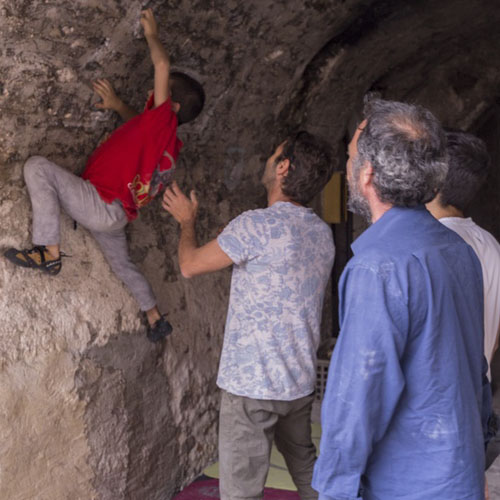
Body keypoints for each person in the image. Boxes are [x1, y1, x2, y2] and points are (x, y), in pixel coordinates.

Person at [312, 99, 491, 500]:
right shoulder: (457, 249)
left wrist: (335, 491)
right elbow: (473, 371)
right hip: (457, 474)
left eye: (351, 158)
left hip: (406, 486)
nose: (348, 166)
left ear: (368, 175)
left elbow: (356, 401)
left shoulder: (377, 267)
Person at [4, 9, 205, 342]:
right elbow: (134, 128)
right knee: (123, 265)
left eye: (163, 92)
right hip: (117, 214)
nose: (155, 93)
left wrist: (152, 35)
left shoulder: (163, 120)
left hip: (101, 202)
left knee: (36, 167)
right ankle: (155, 317)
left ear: (174, 106)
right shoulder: (168, 142)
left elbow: (162, 65)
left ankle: (48, 252)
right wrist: (116, 105)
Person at [162, 131, 335, 500]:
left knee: (241, 490)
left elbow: (190, 265)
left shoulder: (257, 224)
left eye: (274, 155)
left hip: (253, 385)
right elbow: (273, 274)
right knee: (306, 467)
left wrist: (186, 221)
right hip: (299, 381)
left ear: (284, 167)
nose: (269, 161)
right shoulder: (321, 232)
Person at [427, 130, 500, 378]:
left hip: (441, 401)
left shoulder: (431, 244)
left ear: (433, 181)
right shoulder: (491, 245)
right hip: (479, 393)